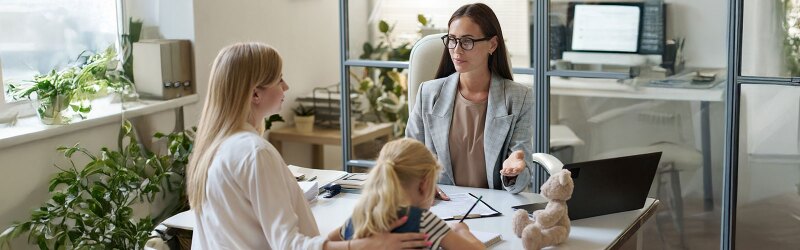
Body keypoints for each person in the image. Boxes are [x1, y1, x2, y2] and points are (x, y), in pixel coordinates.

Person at [187, 42, 430, 249]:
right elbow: (289, 245)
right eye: (279, 79)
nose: (286, 87)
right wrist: (365, 246)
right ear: (255, 95)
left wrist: (348, 229)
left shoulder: (215, 147)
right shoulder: (255, 153)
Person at [406, 3, 534, 196]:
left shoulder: (518, 98)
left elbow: (520, 182)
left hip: (494, 208)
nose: (456, 50)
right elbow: (408, 158)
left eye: (467, 41)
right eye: (452, 40)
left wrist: (513, 173)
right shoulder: (428, 93)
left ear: (492, 44)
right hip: (440, 204)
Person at [327, 138, 485, 250]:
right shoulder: (424, 221)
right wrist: (461, 231)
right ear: (424, 185)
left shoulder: (360, 216)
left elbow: (325, 242)